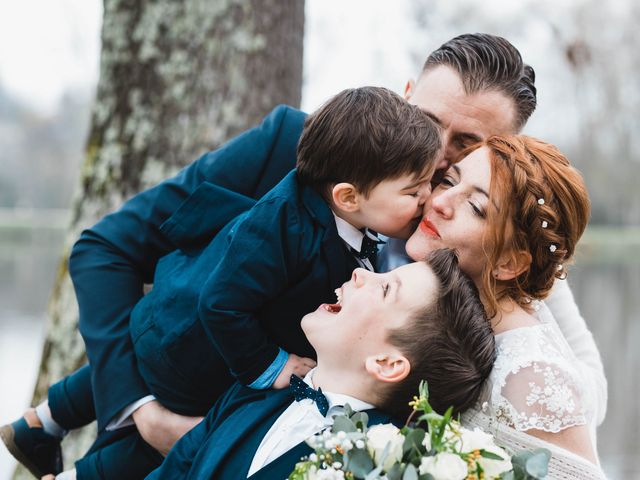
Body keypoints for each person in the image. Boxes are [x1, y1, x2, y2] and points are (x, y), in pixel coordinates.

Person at [3, 33, 605, 477]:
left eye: (468, 144)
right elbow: (104, 250)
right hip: (157, 434)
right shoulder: (303, 148)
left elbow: (577, 388)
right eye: (426, 123)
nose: (439, 160)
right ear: (404, 98)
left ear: (503, 152)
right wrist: (138, 408)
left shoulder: (501, 261)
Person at [4, 86, 440, 479]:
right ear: (347, 196)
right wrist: (272, 366)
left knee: (145, 357)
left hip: (171, 320)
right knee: (165, 440)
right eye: (414, 192)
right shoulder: (290, 227)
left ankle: (39, 422)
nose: (427, 199)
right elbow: (219, 303)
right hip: (200, 346)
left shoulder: (348, 203)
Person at [143, 249, 496, 479]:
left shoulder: (372, 466)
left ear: (387, 363)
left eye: (386, 289)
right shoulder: (255, 391)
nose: (362, 274)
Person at [403, 135, 606, 478]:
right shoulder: (450, 310)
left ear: (510, 262)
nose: (441, 201)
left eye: (476, 208)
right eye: (450, 181)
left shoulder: (528, 374)